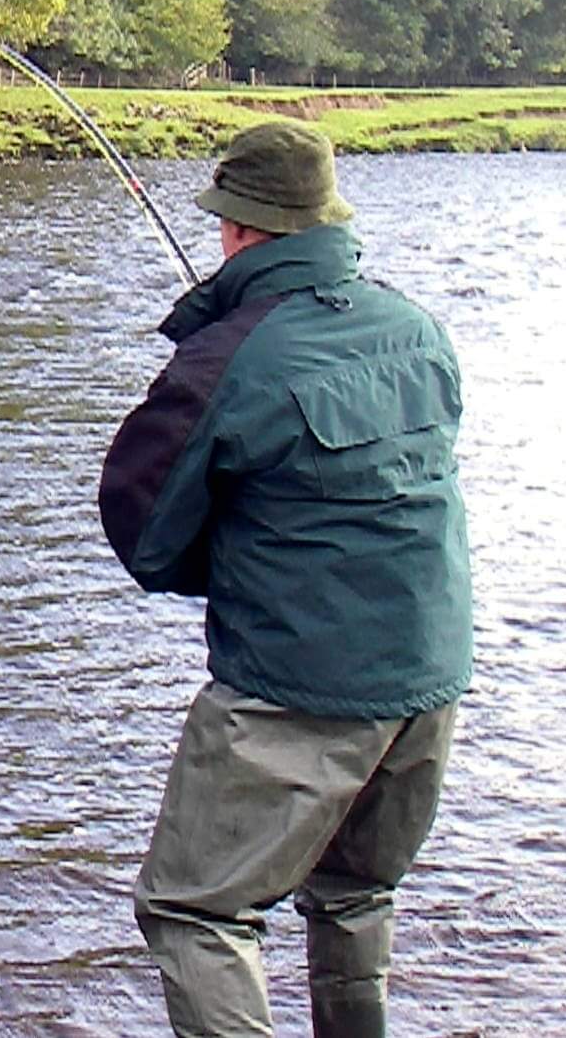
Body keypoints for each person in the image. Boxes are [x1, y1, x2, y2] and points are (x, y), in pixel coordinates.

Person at [98, 121, 472, 1038]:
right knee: (352, 892)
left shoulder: (227, 357)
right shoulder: (417, 329)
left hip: (298, 692)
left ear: (236, 230)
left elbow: (143, 531)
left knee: (195, 910)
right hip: (427, 682)